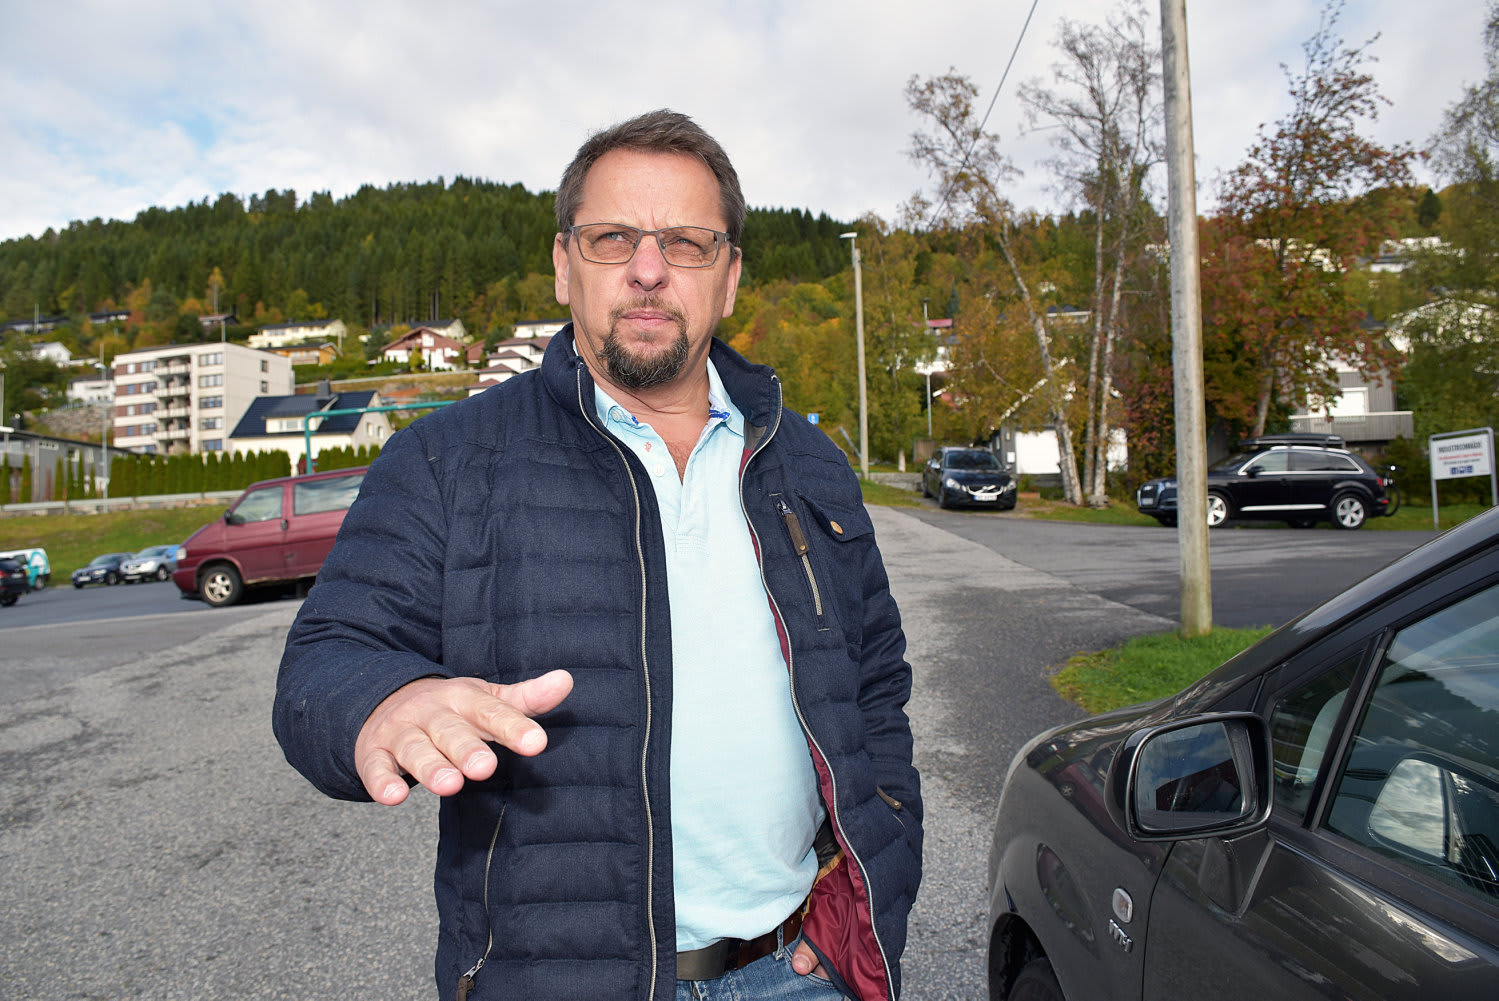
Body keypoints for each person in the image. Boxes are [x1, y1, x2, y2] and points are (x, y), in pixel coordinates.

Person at [273, 109, 922, 1001]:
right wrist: (384, 699)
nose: (648, 270)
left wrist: (876, 877)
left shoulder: (807, 464)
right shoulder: (447, 460)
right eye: (613, 238)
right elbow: (324, 658)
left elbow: (876, 689)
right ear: (562, 264)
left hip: (797, 972)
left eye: (686, 243)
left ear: (729, 277)